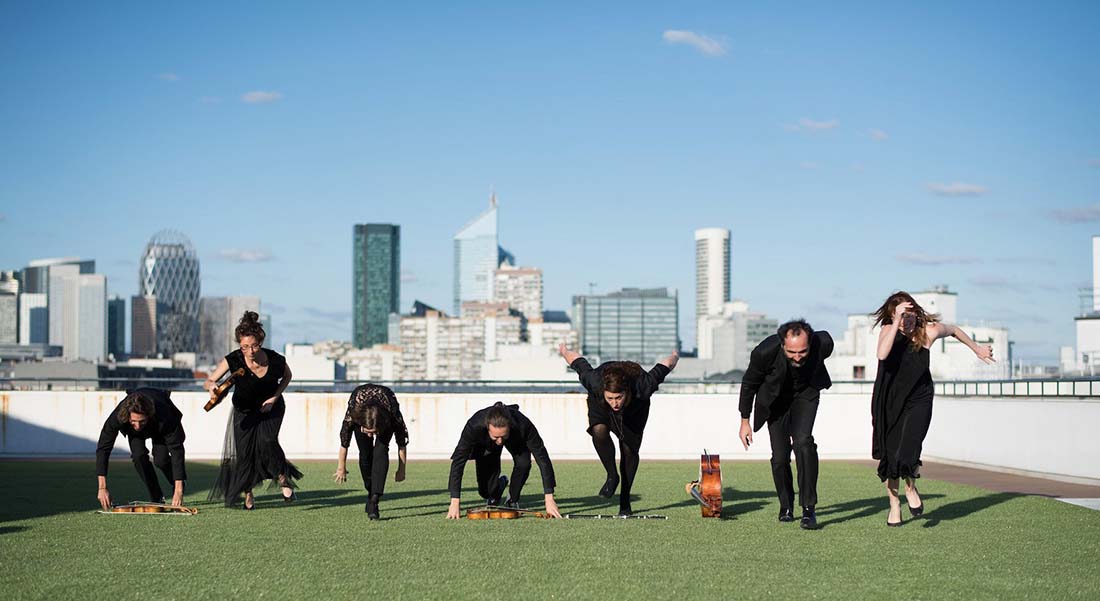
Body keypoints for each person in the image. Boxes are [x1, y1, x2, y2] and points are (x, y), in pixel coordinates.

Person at [870, 292, 994, 526]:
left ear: (916, 313)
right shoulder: (888, 330)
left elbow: (954, 330)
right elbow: (882, 354)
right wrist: (896, 321)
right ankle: (894, 503)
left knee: (909, 450)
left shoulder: (929, 331)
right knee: (891, 457)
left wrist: (976, 349)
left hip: (919, 397)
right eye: (900, 315)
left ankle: (911, 488)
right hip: (889, 399)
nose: (907, 320)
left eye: (910, 314)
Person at [558, 343, 679, 516]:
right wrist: (564, 351)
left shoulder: (643, 386)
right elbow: (577, 361)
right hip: (599, 406)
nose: (615, 403)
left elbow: (666, 365)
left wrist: (675, 355)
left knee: (629, 450)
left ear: (626, 393)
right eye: (611, 398)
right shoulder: (594, 382)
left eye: (618, 398)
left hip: (634, 411)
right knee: (598, 430)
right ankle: (612, 475)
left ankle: (625, 501)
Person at [738, 319, 833, 530]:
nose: (797, 357)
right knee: (780, 458)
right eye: (792, 352)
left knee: (803, 443)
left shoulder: (823, 342)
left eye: (802, 352)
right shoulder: (764, 352)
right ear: (782, 344)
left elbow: (820, 351)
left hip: (805, 395)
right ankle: (786, 506)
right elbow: (749, 384)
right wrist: (745, 421)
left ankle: (809, 509)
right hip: (775, 402)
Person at [205, 311, 302, 509]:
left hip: (271, 407)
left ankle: (283, 477)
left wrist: (274, 398)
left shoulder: (275, 359)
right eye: (244, 347)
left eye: (254, 346)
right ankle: (248, 493)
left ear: (261, 341)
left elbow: (287, 377)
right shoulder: (233, 359)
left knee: (267, 441)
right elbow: (209, 380)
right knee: (245, 453)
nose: (249, 351)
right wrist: (211, 387)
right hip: (244, 410)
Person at [445, 402, 561, 519]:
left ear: (509, 426)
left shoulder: (523, 425)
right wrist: (455, 502)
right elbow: (458, 462)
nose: (500, 441)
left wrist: (549, 498)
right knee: (485, 492)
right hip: (487, 445)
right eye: (496, 437)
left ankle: (512, 499)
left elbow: (542, 458)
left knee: (524, 463)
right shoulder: (474, 425)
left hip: (515, 439)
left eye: (503, 436)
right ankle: (499, 486)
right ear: (487, 427)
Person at [95, 388, 186, 510]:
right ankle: (156, 497)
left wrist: (179, 489)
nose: (137, 426)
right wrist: (102, 487)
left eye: (141, 421)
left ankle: (176, 484)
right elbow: (103, 448)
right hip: (134, 428)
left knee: (161, 459)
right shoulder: (119, 416)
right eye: (134, 421)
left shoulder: (165, 415)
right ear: (127, 416)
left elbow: (177, 451)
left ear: (149, 415)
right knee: (138, 456)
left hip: (160, 426)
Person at [333, 383, 409, 519]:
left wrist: (401, 469)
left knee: (381, 451)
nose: (370, 435)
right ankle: (370, 491)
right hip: (361, 415)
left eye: (373, 432)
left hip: (384, 416)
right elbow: (344, 443)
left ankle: (374, 499)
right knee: (365, 454)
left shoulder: (393, 415)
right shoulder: (353, 414)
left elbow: (401, 443)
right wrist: (341, 468)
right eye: (367, 432)